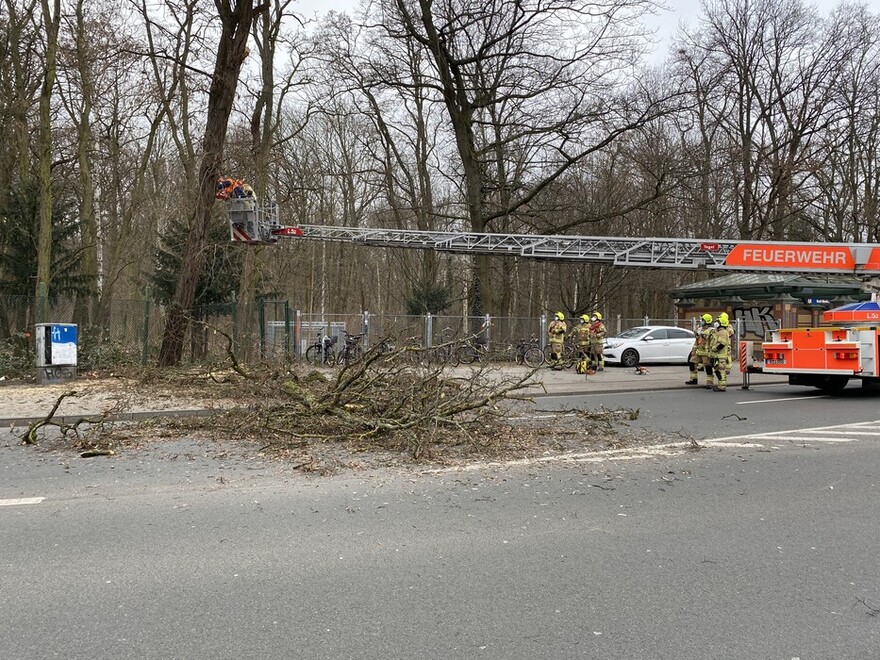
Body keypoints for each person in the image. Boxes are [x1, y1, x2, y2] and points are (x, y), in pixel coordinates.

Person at [686, 313, 714, 387]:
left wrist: (701, 333)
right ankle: (693, 379)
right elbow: (697, 340)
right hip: (699, 351)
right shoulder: (699, 328)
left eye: (703, 320)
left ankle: (709, 383)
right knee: (691, 362)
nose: (701, 321)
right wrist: (693, 350)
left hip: (706, 352)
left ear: (707, 321)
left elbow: (708, 338)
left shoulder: (711, 330)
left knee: (708, 366)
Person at [708, 312, 733, 392]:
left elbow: (722, 344)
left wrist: (714, 349)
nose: (716, 323)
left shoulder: (723, 332)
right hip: (717, 356)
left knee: (721, 371)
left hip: (720, 356)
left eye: (718, 322)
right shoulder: (718, 332)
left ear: (721, 323)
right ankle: (720, 385)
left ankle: (721, 387)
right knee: (718, 370)